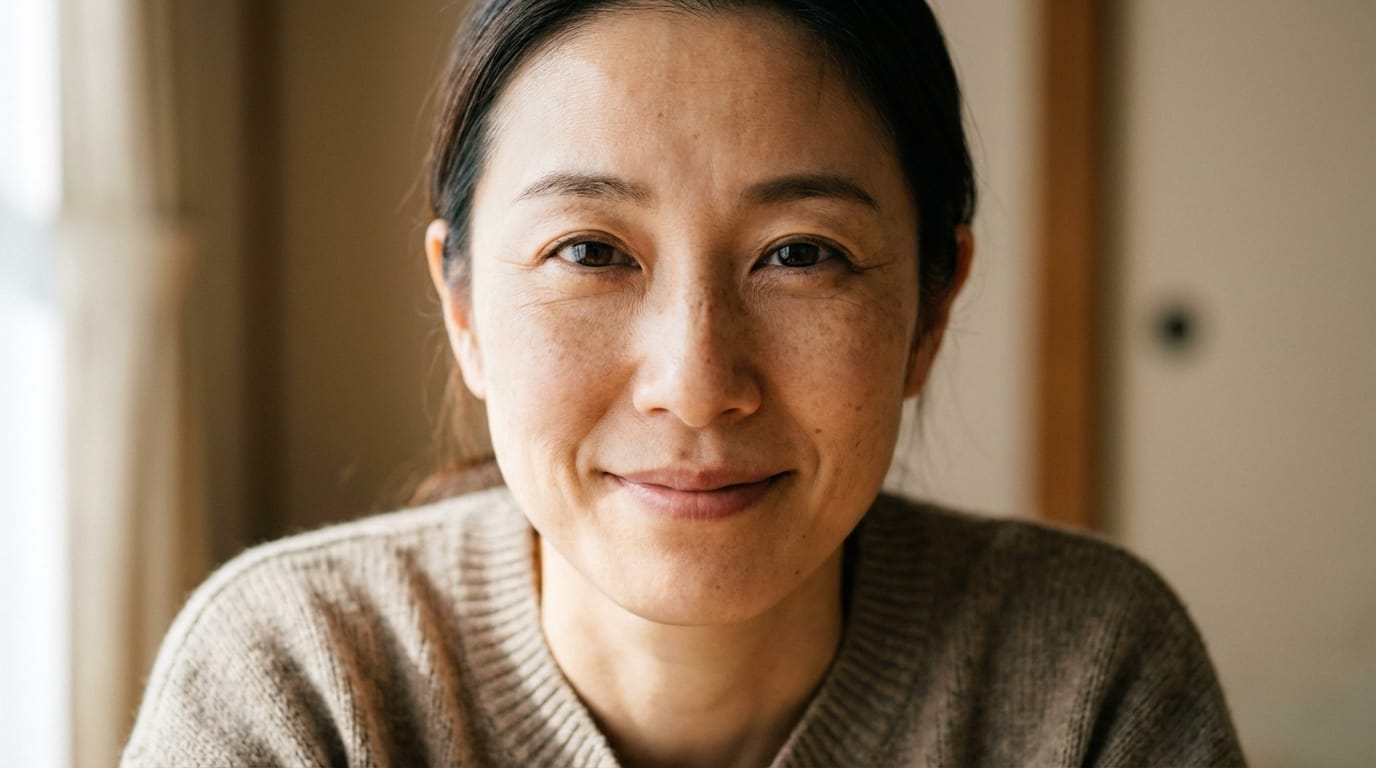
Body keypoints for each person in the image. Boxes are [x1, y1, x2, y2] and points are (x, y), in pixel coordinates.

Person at [122, 1, 1245, 766]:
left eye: (800, 253)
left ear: (930, 308)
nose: (695, 384)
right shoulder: (303, 682)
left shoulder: (1082, 677)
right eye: (590, 252)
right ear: (461, 305)